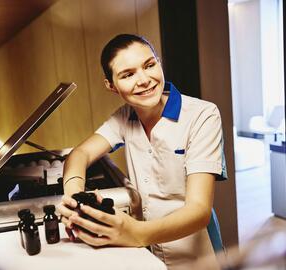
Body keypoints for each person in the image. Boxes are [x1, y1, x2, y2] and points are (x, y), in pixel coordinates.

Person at [57, 33, 227, 270]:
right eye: (127, 75)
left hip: (197, 256)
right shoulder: (124, 117)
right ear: (111, 86)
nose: (144, 79)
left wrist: (134, 232)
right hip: (148, 256)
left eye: (149, 65)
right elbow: (79, 154)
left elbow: (199, 211)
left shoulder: (202, 115)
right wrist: (75, 198)